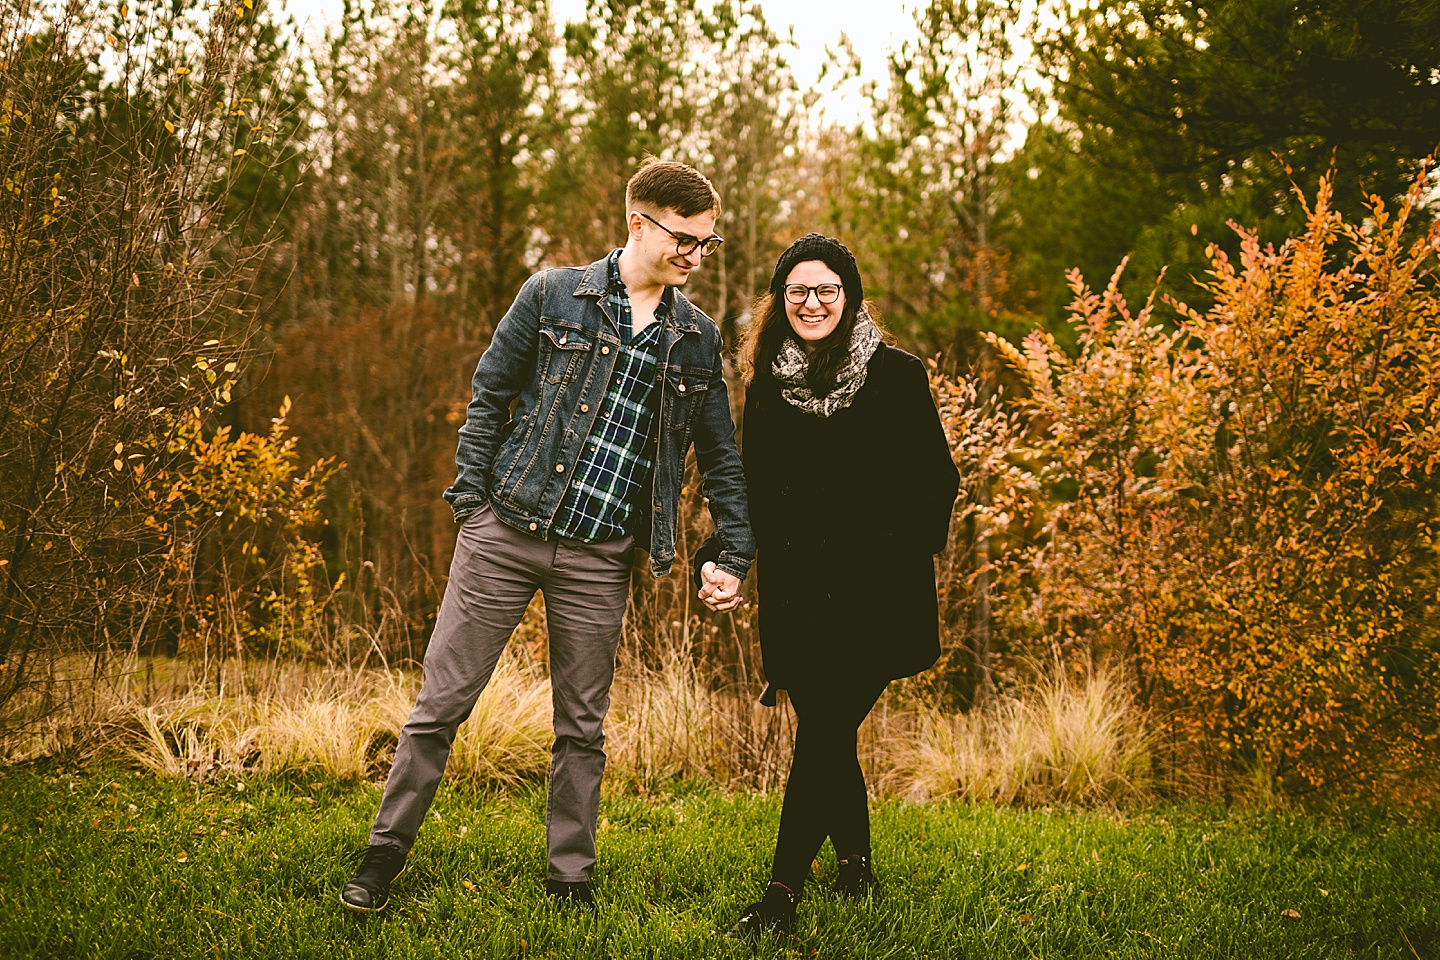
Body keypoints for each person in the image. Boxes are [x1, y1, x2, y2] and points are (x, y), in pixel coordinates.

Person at [340, 160, 754, 913]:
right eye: (685, 239)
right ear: (639, 223)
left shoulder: (696, 339)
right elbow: (489, 392)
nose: (696, 255)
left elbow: (721, 452)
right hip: (507, 530)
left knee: (582, 729)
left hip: (600, 558)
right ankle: (383, 854)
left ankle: (571, 878)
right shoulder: (552, 295)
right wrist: (472, 504)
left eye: (707, 242)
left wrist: (732, 551)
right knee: (442, 705)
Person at [697, 234, 960, 937]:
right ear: (780, 303)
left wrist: (888, 547)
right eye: (798, 292)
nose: (812, 303)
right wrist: (723, 555)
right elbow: (751, 487)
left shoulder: (897, 376)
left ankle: (779, 896)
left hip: (878, 597)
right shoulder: (768, 386)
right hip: (798, 597)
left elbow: (938, 482)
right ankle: (856, 867)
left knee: (820, 732)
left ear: (849, 298)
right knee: (828, 734)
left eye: (827, 291)